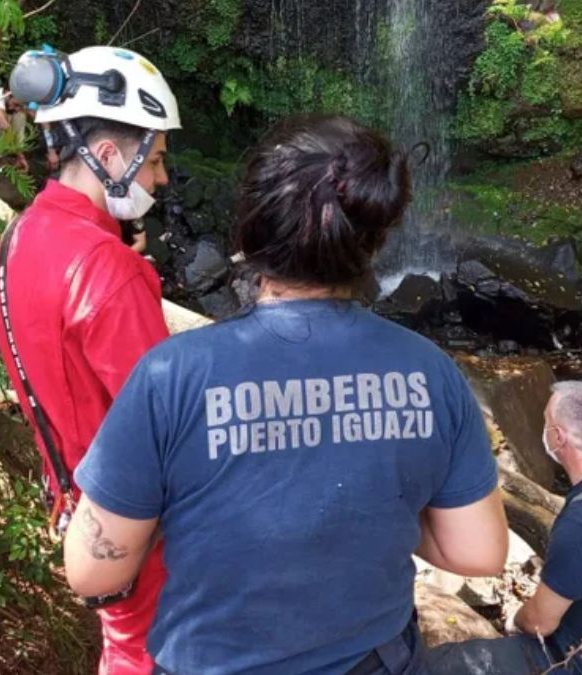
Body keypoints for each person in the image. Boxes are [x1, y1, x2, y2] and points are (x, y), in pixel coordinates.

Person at [64, 115, 510, 674]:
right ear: (371, 240)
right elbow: (480, 552)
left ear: (251, 230)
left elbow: (92, 572)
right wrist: (379, 507)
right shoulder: (430, 372)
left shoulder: (170, 376)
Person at [0, 45, 180, 675]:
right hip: (143, 534)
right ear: (105, 156)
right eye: (153, 160)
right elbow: (168, 432)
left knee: (123, 647)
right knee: (149, 655)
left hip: (81, 510)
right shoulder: (108, 272)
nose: (160, 180)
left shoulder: (18, 237)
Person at [427, 381, 582, 675]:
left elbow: (539, 623)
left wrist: (512, 621)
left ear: (558, 437)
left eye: (546, 422)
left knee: (441, 664)